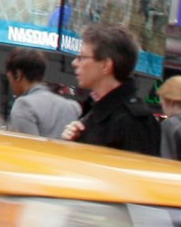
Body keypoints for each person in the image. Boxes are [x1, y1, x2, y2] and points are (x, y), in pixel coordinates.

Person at [60, 24, 158, 156]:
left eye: (82, 57)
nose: (74, 63)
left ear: (105, 65)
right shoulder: (96, 109)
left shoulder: (133, 121)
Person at [3, 48, 79, 139]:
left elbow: (27, 149)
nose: (11, 85)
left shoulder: (23, 105)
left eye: (9, 79)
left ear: (17, 75)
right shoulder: (72, 107)